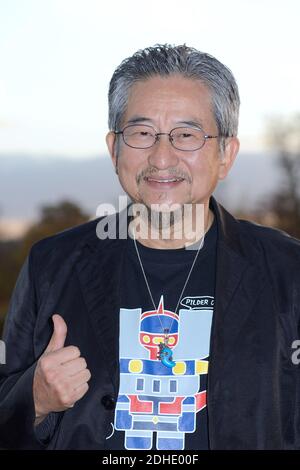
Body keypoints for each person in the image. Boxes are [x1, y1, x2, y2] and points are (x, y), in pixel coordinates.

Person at [1, 44, 300, 451]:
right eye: (141, 133)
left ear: (226, 154)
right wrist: (32, 400)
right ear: (114, 149)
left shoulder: (288, 270)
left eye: (187, 135)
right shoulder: (51, 265)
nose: (162, 158)